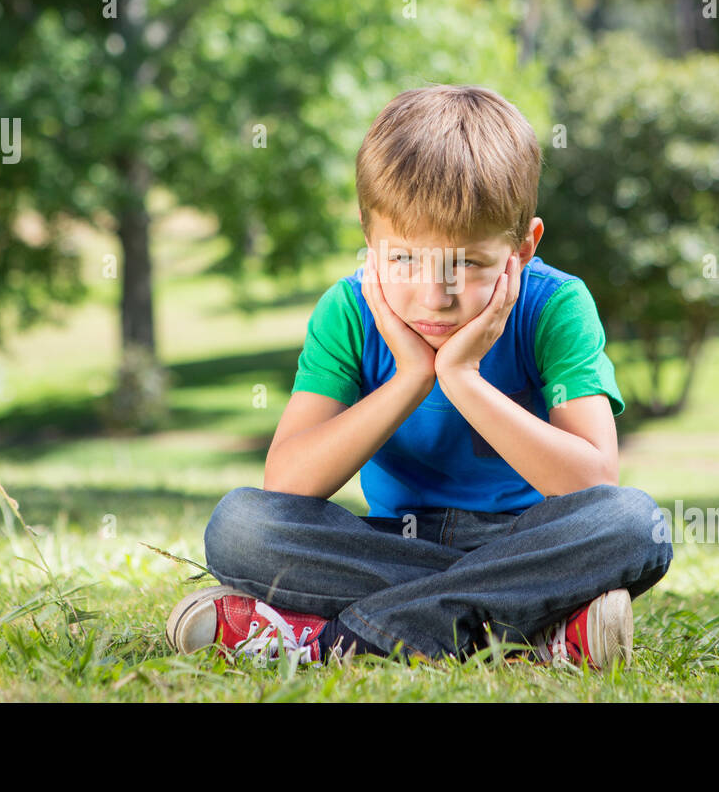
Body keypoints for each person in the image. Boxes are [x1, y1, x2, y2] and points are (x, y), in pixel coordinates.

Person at [166, 84, 673, 669]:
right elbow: (287, 481)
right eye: (404, 259)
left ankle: (333, 643)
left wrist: (462, 379)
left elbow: (593, 480)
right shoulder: (348, 311)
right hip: (388, 544)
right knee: (241, 526)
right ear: (368, 237)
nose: (436, 296)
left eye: (470, 263)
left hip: (528, 542)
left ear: (525, 246)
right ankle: (531, 628)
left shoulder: (555, 306)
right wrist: (409, 377)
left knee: (635, 524)